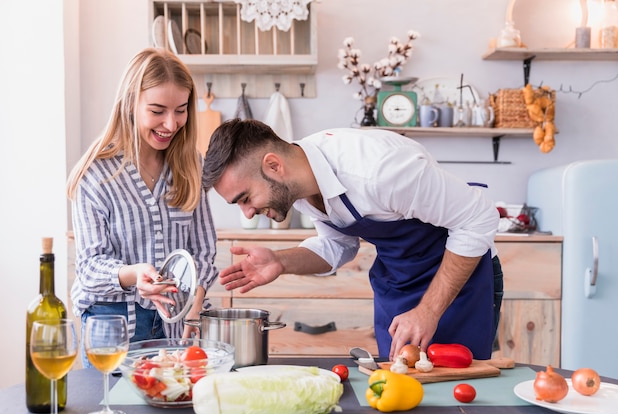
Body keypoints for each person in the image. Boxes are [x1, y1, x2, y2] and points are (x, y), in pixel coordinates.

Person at [202, 119, 503, 361]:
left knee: (458, 400)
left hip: (461, 284)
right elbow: (339, 246)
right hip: (399, 285)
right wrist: (281, 261)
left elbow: (478, 218)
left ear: (273, 166)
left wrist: (428, 311)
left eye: (245, 198)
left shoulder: (379, 170)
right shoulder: (300, 186)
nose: (249, 212)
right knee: (401, 390)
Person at [67, 48, 218, 366]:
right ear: (130, 104)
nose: (171, 123)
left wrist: (196, 299)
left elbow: (203, 252)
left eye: (180, 110)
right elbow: (89, 267)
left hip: (174, 322)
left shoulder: (191, 165)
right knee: (111, 411)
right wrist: (135, 274)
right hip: (111, 324)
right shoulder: (96, 174)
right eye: (158, 110)